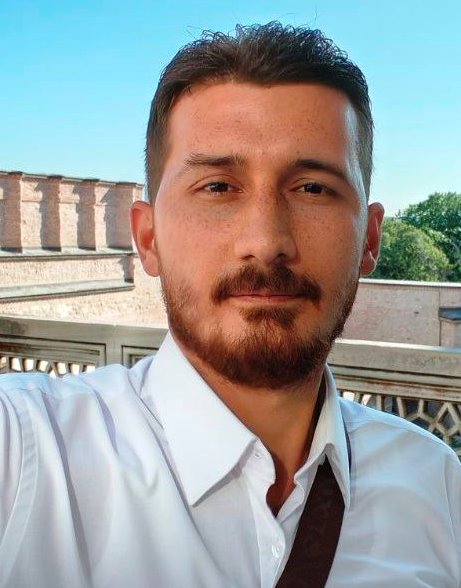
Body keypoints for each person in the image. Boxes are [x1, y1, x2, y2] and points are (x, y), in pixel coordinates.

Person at [0, 22, 460, 588]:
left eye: (313, 188)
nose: (266, 241)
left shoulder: (436, 487)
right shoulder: (24, 451)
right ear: (148, 238)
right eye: (218, 187)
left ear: (369, 238)